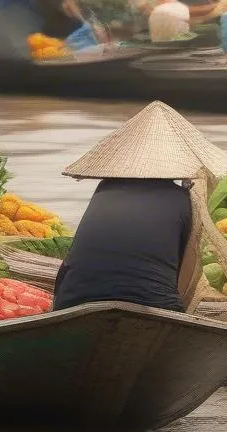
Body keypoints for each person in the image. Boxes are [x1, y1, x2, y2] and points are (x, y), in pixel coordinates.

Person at [54, 103, 202, 313]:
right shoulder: (181, 199)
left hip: (73, 302)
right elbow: (186, 268)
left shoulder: (104, 189)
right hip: (155, 306)